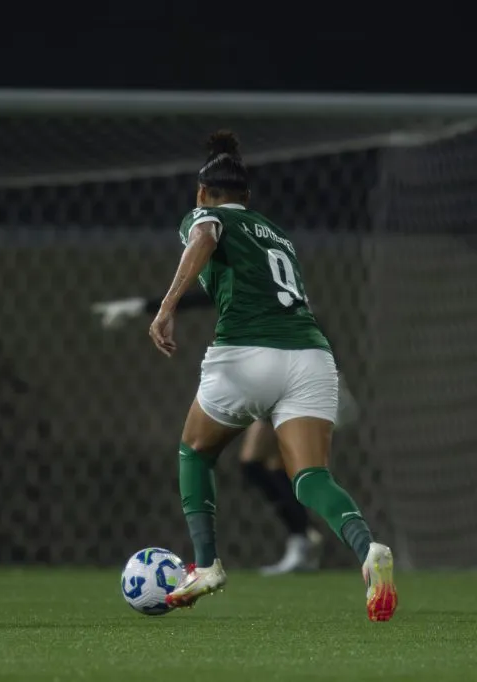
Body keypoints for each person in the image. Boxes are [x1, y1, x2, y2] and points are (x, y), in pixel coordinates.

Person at [146, 130, 396, 621]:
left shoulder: (205, 215)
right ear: (250, 197)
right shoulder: (275, 233)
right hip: (311, 357)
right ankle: (368, 551)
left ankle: (207, 565)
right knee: (310, 477)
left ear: (202, 193)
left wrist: (167, 306)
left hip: (246, 354)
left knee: (195, 450)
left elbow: (205, 234)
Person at [93, 291, 359, 574]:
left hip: (289, 375)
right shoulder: (267, 277)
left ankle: (308, 538)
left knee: (258, 464)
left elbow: (206, 296)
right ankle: (305, 538)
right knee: (271, 467)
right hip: (288, 372)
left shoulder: (255, 277)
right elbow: (204, 296)